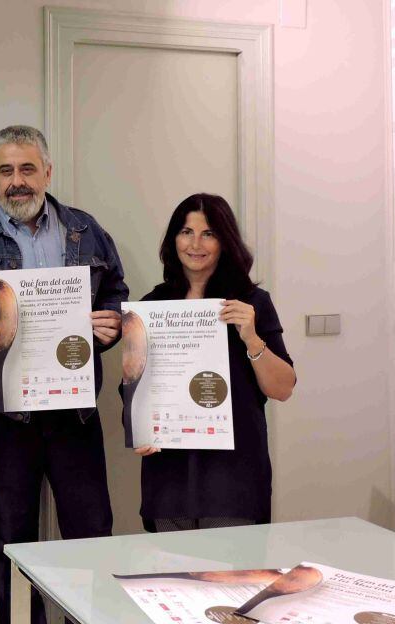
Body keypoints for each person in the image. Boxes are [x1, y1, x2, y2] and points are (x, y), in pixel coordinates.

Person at [0, 125, 129, 624]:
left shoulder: (86, 231)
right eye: (6, 170)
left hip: (76, 414)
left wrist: (111, 324)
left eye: (27, 169)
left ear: (47, 171)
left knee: (90, 538)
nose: (17, 181)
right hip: (6, 418)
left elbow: (115, 296)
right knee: (9, 545)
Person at [130, 193, 296, 532]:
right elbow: (133, 383)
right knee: (173, 579)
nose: (195, 244)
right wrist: (138, 427)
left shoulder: (252, 303)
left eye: (209, 233)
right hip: (170, 475)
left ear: (225, 241)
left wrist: (251, 337)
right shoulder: (152, 305)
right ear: (173, 239)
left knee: (232, 580)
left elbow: (283, 388)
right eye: (186, 232)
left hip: (232, 477)